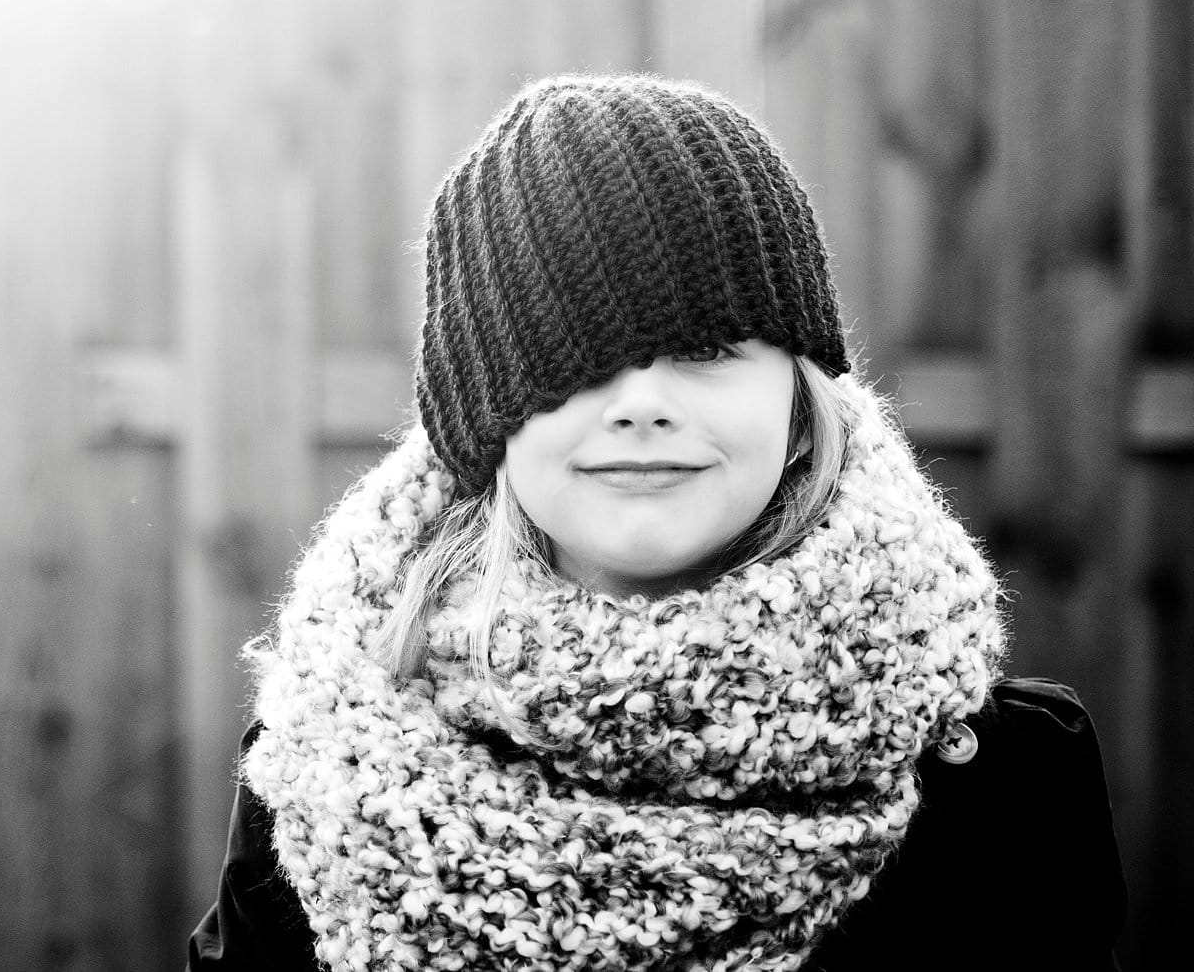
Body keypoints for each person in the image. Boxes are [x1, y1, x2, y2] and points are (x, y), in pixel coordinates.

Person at [187, 75, 1125, 971]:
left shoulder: (1002, 779)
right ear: (484, 418)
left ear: (801, 400)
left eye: (707, 348)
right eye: (570, 357)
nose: (641, 403)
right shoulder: (328, 764)